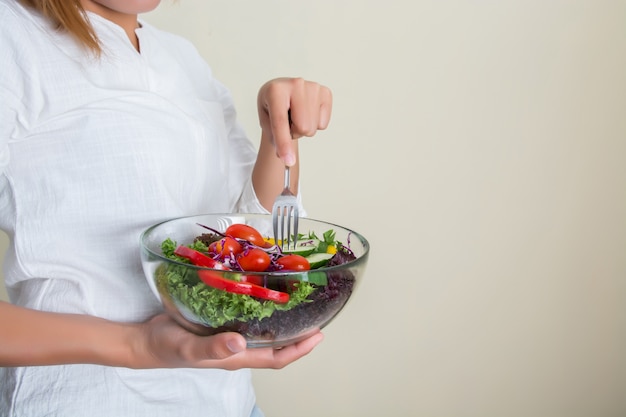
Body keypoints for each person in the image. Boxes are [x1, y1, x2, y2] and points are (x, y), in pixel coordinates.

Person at [0, 0, 332, 415]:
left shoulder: (181, 57)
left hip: (227, 401)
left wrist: (278, 132)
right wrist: (141, 345)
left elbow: (254, 236)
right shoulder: (12, 36)